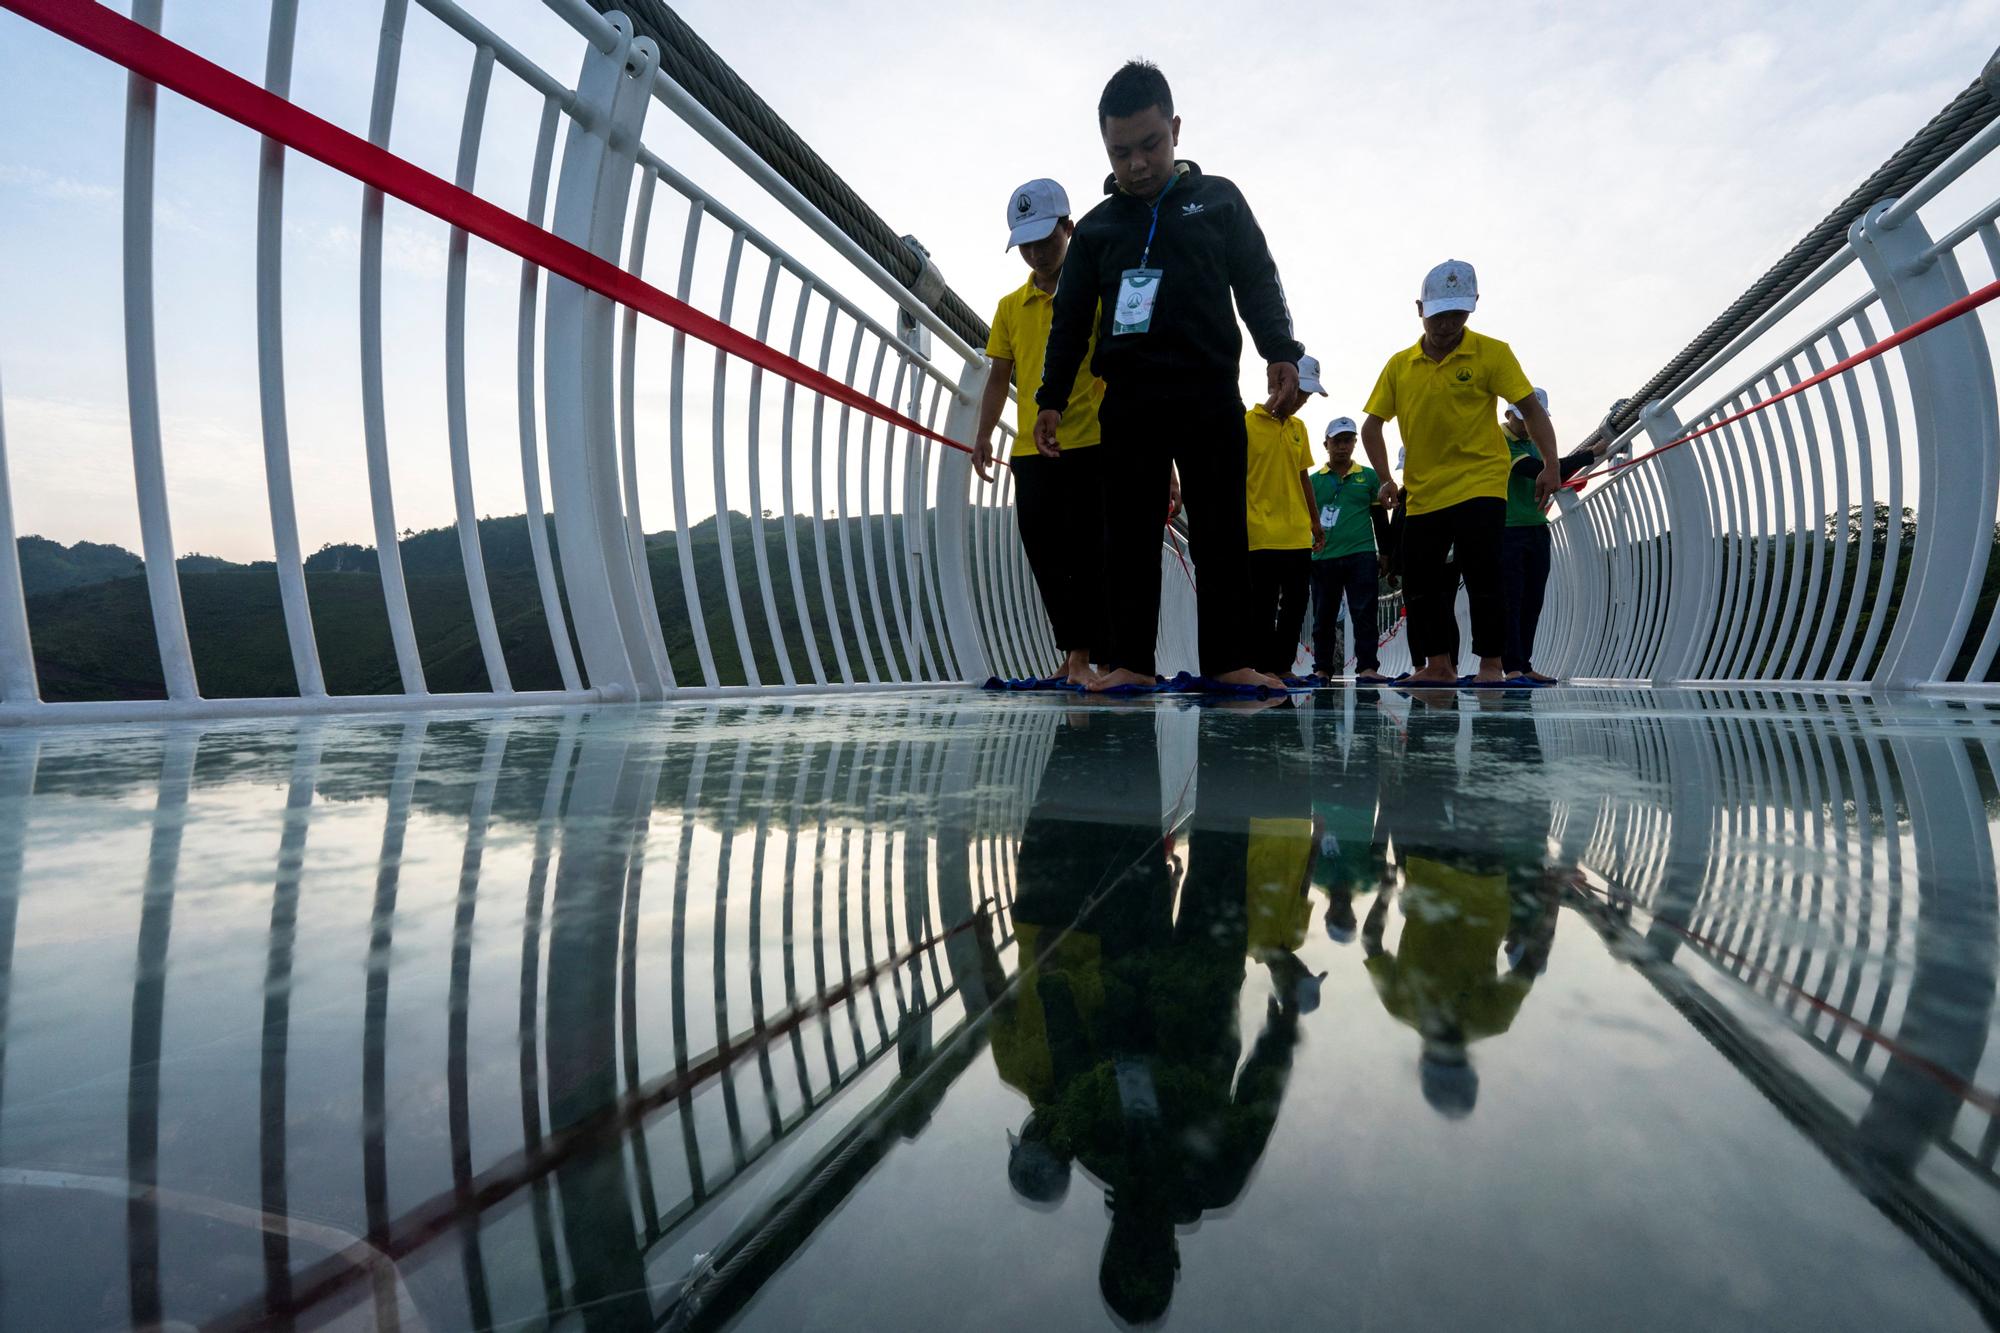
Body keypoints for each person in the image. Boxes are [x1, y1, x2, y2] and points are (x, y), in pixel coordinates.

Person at [1035, 60, 1305, 692]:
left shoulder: (1219, 201)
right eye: (1120, 151)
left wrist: (1281, 352)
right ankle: (1128, 662)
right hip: (1128, 400)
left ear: (1176, 129)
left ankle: (1230, 662)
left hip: (1210, 392)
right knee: (1126, 535)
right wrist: (1049, 397)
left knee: (1220, 531)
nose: (1136, 164)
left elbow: (1258, 281)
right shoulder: (1100, 228)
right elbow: (1069, 321)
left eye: (1149, 145)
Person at [1361, 260, 1561, 684]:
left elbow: (1530, 408)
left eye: (1457, 313)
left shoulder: (1492, 352)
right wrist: (1384, 477)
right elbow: (1372, 425)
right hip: (1425, 488)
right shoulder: (1400, 365)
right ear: (1420, 308)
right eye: (1439, 314)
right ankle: (1439, 666)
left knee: (1484, 572)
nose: (1448, 324)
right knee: (1422, 581)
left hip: (1481, 481)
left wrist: (1551, 463)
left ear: (1472, 308)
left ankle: (1491, 666)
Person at [974, 178, 1108, 687]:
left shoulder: (1097, 294)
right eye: (1025, 244)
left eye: (1044, 240)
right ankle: (1075, 654)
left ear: (1069, 229)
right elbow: (998, 377)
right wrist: (984, 435)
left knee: (1090, 553)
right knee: (1045, 552)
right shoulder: (1011, 307)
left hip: (1093, 441)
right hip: (1030, 448)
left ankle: (1082, 658)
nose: (1034, 253)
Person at [1500, 388, 1607, 681]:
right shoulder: (1499, 439)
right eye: (1520, 417)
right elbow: (1535, 471)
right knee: (1511, 599)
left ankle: (1524, 664)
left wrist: (1565, 463)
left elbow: (1554, 469)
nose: (1525, 424)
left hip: (1535, 526)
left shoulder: (1536, 443)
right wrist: (1589, 454)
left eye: (1531, 418)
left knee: (1533, 599)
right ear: (1508, 413)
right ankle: (1510, 667)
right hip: (1506, 529)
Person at [1244, 353, 1326, 678]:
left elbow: (1303, 476)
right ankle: (1263, 667)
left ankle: (1283, 666)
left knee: (1295, 606)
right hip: (1258, 532)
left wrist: (1315, 521)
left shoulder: (1299, 429)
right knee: (1261, 606)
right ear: (1281, 384)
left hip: (1296, 534)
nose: (1302, 400)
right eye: (1300, 392)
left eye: (1306, 396)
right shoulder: (1246, 424)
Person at [1308, 416, 1394, 683]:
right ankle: (1322, 667)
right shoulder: (1312, 481)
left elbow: (1379, 518)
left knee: (1364, 612)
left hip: (1361, 553)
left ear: (1355, 443)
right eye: (1337, 441)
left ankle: (1367, 667)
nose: (1343, 447)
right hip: (1323, 556)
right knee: (1324, 615)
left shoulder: (1368, 477)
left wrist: (1386, 553)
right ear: (1326, 444)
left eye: (1348, 440)